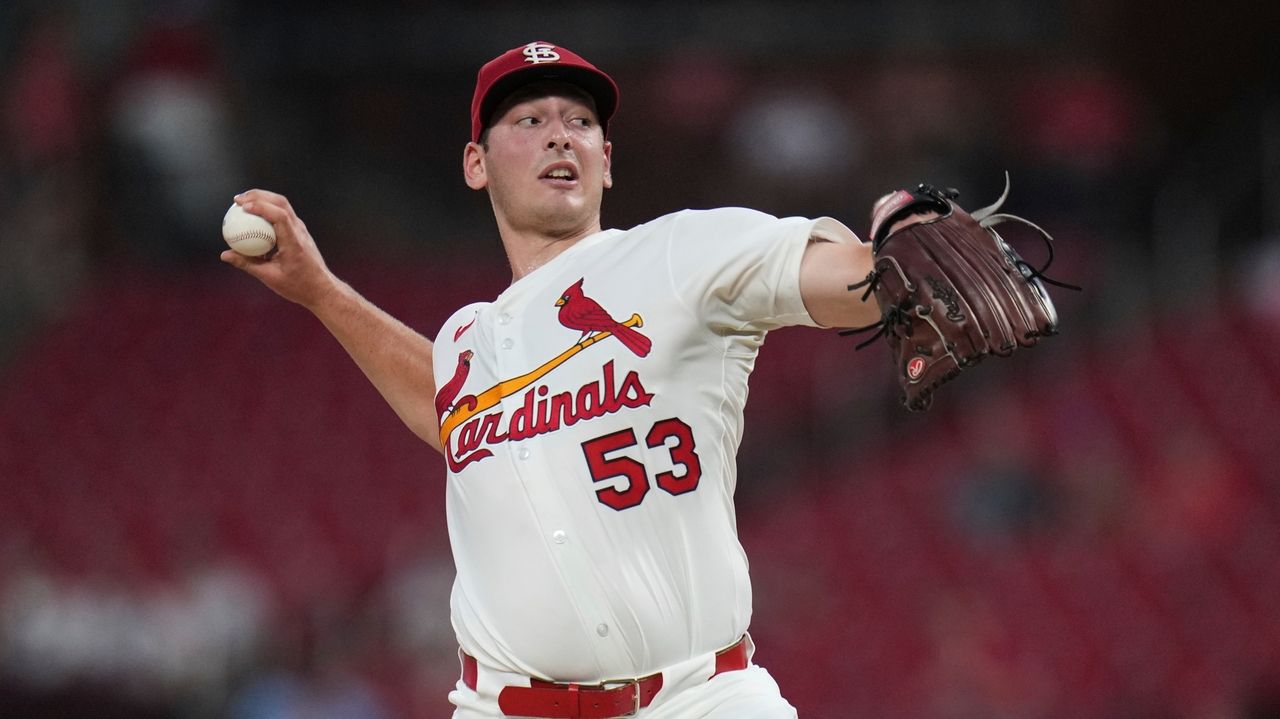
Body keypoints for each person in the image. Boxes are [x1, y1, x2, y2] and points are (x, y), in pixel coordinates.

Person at [222, 41, 901, 719]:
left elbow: (854, 280)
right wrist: (321, 293)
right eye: (529, 120)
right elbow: (451, 412)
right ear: (476, 164)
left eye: (579, 121)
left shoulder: (679, 254)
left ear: (605, 162)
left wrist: (900, 260)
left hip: (701, 698)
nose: (559, 135)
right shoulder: (470, 338)